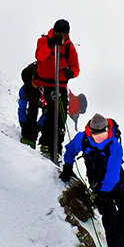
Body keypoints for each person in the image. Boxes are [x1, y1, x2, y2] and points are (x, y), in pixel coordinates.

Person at [59, 112, 124, 247]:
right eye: (98, 136)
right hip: (97, 184)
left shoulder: (114, 145)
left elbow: (113, 172)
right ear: (91, 132)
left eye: (104, 134)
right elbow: (70, 149)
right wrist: (67, 166)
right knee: (109, 216)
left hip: (116, 182)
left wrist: (104, 192)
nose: (102, 138)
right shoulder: (82, 139)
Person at [33, 19, 80, 158]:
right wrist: (50, 44)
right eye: (59, 33)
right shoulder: (44, 41)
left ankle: (57, 149)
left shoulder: (69, 47)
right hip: (45, 84)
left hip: (61, 85)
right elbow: (39, 56)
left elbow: (76, 68)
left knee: (60, 117)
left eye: (64, 34)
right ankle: (46, 145)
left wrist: (71, 73)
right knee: (49, 114)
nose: (61, 36)